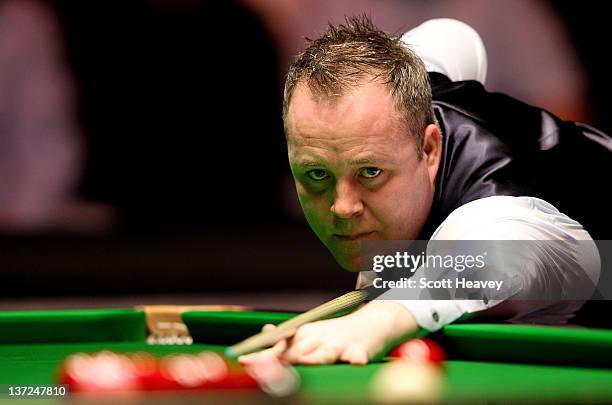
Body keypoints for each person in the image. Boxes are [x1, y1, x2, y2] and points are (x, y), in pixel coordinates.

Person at [239, 16, 610, 366]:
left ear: (429, 149)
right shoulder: (411, 83)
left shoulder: (495, 215)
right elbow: (452, 35)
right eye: (317, 174)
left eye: (370, 172)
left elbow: (480, 263)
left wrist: (372, 322)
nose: (343, 207)